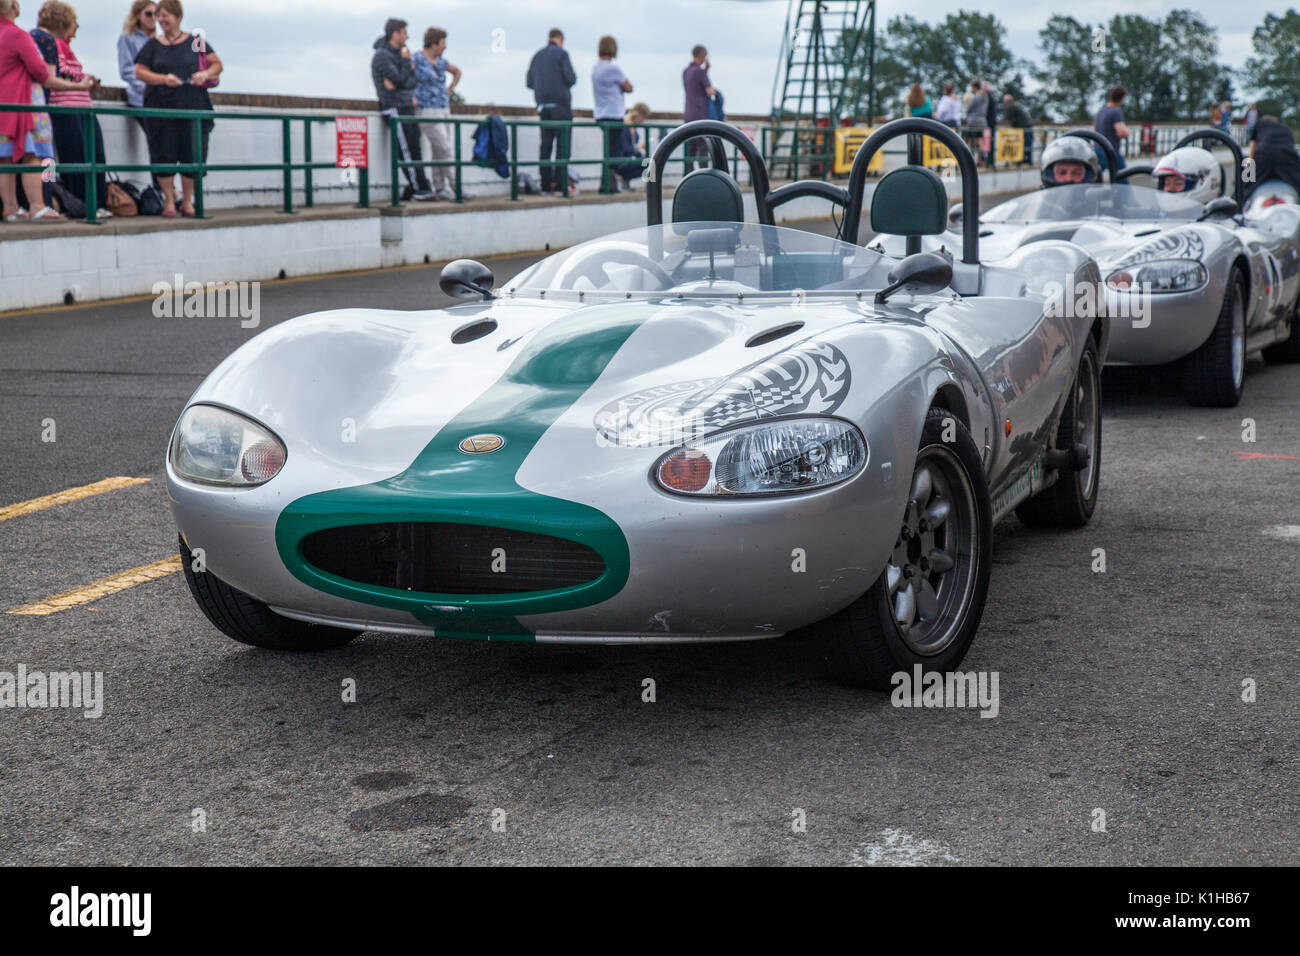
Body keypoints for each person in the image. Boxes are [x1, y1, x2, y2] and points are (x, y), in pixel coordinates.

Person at [133, 0, 220, 218]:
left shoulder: (194, 41)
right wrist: (163, 79)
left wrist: (204, 74)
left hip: (192, 104)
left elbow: (216, 64)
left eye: (165, 16)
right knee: (164, 154)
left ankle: (188, 201)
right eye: (158, 16)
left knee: (192, 154)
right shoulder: (153, 45)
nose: (161, 21)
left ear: (178, 17)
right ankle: (169, 200)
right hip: (161, 107)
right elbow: (140, 72)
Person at [41, 2, 110, 217]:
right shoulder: (52, 45)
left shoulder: (65, 47)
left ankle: (97, 203)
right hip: (65, 108)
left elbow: (70, 74)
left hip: (82, 108)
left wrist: (86, 80)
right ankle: (80, 204)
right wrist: (80, 84)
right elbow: (55, 76)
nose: (77, 27)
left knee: (95, 156)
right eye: (73, 22)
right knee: (75, 157)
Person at [0, 0, 66, 221]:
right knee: (35, 154)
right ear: (13, 8)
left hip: (3, 106)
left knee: (4, 157)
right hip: (24, 105)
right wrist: (80, 86)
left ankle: (10, 207)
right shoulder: (18, 35)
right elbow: (41, 72)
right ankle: (38, 205)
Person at [372, 17, 431, 201]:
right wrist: (406, 66)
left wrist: (401, 79)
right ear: (395, 34)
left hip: (406, 106)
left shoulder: (399, 56)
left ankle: (421, 186)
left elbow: (411, 81)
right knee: (406, 150)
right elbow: (399, 80)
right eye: (404, 33)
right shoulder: (382, 56)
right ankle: (417, 187)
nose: (407, 37)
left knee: (415, 148)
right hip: (394, 108)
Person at [526, 27, 576, 196]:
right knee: (563, 149)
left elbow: (529, 82)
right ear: (560, 39)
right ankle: (561, 186)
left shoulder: (537, 55)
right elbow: (571, 79)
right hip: (561, 107)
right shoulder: (562, 54)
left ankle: (546, 185)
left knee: (545, 148)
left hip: (543, 107)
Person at [412, 27, 459, 201]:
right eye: (443, 43)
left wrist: (450, 89)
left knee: (438, 149)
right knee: (444, 148)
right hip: (427, 109)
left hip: (443, 108)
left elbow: (457, 71)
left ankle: (440, 188)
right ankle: (457, 187)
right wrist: (411, 96)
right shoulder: (417, 58)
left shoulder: (440, 62)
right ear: (434, 43)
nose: (445, 47)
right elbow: (405, 75)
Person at [592, 34, 632, 188]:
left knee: (608, 152)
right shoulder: (612, 68)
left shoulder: (595, 68)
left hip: (600, 114)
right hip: (614, 114)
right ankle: (609, 184)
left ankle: (607, 183)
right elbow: (629, 87)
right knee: (614, 153)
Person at [117, 1, 154, 133]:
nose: (153, 18)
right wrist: (146, 87)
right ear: (138, 15)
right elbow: (126, 70)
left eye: (157, 14)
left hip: (160, 100)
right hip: (140, 100)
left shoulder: (158, 39)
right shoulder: (127, 38)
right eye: (149, 14)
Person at [1247, 115, 1300, 201]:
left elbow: (1253, 144)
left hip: (1264, 153)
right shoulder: (1285, 128)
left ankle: (1241, 206)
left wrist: (1250, 160)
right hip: (1286, 154)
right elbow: (1291, 146)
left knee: (1247, 185)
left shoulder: (1259, 124)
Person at [682, 44, 714, 170]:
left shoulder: (686, 71)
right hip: (701, 113)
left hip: (688, 113)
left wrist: (706, 69)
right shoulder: (700, 72)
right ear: (703, 56)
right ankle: (704, 175)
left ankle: (688, 174)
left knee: (690, 148)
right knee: (703, 148)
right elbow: (709, 91)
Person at [1153, 146, 1222, 203]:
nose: (1170, 189)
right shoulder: (1156, 216)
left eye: (1178, 183)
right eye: (1167, 184)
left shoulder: (1216, 218)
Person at [610, 100, 649, 191]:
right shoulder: (625, 127)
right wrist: (639, 148)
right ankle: (651, 187)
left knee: (651, 161)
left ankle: (625, 181)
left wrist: (641, 152)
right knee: (650, 163)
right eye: (643, 117)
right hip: (621, 162)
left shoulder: (633, 130)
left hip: (628, 160)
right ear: (638, 115)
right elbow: (625, 148)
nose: (643, 120)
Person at [1094, 84, 1128, 173]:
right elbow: (1121, 133)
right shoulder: (1116, 111)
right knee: (1122, 177)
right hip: (1110, 150)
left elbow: (1094, 129)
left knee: (1096, 175)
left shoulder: (1101, 110)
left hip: (1098, 148)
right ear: (1122, 98)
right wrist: (1128, 132)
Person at [1002, 93, 1033, 164]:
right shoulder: (1015, 105)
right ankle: (1027, 160)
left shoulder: (1012, 107)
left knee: (1024, 144)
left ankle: (1023, 160)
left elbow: (1007, 117)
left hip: (1023, 127)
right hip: (1026, 126)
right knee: (1026, 144)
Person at [963, 80, 986, 164]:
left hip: (974, 121)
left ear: (974, 87)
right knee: (979, 140)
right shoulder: (984, 96)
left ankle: (966, 159)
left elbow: (969, 109)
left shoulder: (976, 97)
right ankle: (980, 160)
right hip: (982, 120)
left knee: (967, 139)